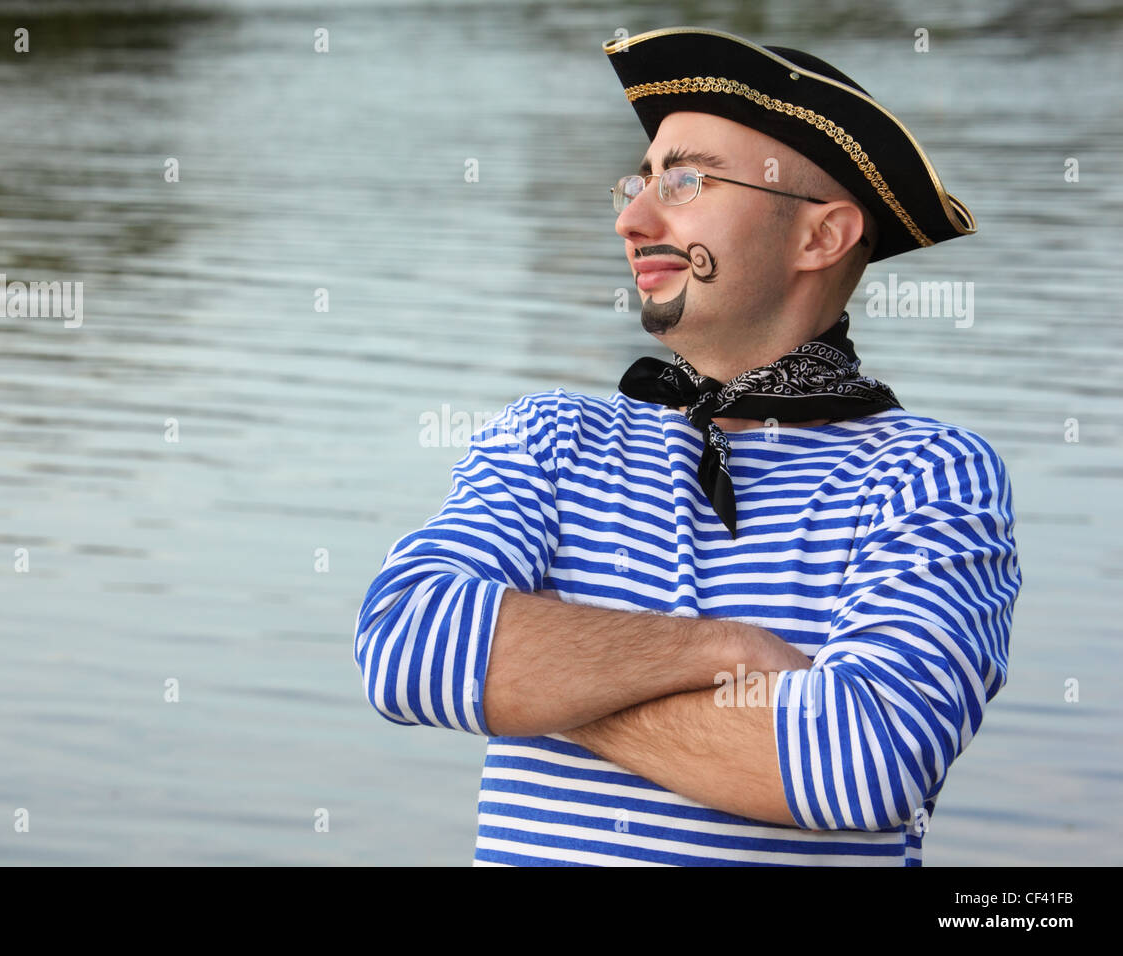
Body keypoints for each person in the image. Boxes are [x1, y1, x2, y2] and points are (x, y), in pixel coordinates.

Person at [353, 26, 1021, 865]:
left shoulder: (930, 477)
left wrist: (529, 676)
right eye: (636, 184)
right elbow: (403, 644)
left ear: (821, 237)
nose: (633, 219)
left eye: (686, 182)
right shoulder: (551, 437)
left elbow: (864, 763)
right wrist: (724, 650)